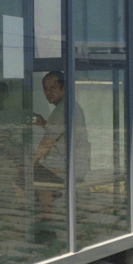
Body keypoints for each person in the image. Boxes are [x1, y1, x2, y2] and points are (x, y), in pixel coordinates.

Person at [31, 71, 89, 223]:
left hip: (63, 167)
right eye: (45, 89)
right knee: (35, 170)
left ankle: (44, 218)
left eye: (53, 88)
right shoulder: (73, 106)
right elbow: (61, 134)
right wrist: (44, 124)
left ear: (64, 88)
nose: (48, 92)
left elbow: (47, 142)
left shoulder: (61, 109)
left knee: (21, 175)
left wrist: (32, 161)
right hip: (75, 164)